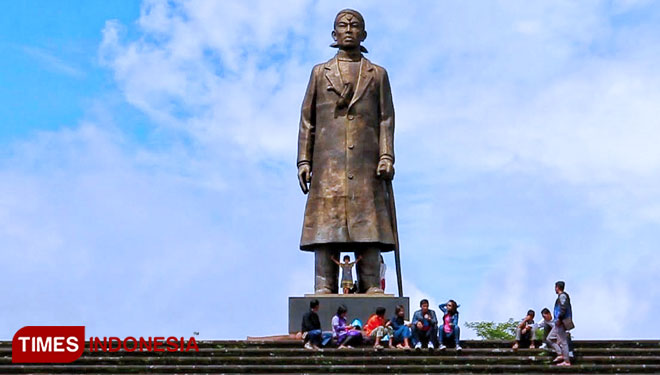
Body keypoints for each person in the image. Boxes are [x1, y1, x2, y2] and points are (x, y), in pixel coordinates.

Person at [297, 9, 397, 294]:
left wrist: (386, 155)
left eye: (355, 26)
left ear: (364, 35)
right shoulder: (320, 73)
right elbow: (307, 121)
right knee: (325, 224)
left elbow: (386, 118)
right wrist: (304, 159)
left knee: (368, 222)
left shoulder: (377, 74)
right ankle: (324, 283)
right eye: (343, 25)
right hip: (328, 163)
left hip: (366, 163)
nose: (349, 29)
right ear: (334, 34)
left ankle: (370, 282)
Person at [548, 281, 573, 367]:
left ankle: (566, 361)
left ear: (557, 287)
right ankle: (560, 354)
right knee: (550, 338)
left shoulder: (562, 296)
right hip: (558, 322)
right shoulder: (561, 296)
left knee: (563, 341)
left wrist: (559, 318)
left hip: (561, 321)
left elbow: (563, 308)